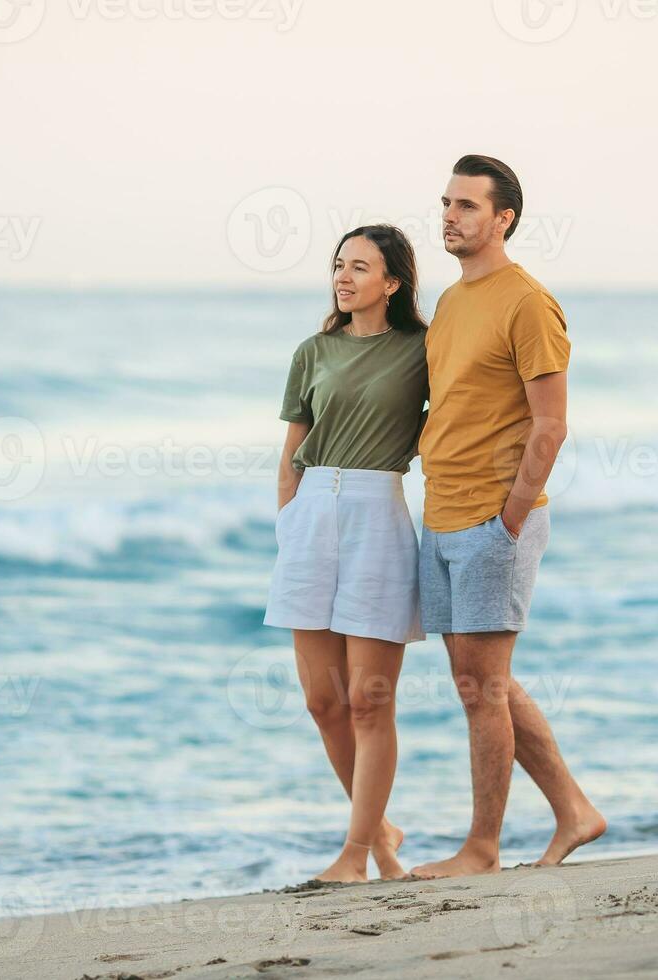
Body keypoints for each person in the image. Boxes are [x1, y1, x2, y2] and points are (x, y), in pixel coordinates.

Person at [411, 155, 607, 880]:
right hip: (442, 513)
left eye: (467, 205)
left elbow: (549, 425)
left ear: (504, 219)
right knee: (479, 681)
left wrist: (510, 520)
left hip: (494, 521)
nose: (450, 216)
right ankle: (575, 811)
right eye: (446, 203)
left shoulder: (528, 302)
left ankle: (482, 849)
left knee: (481, 688)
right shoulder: (457, 302)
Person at [263, 224, 429, 882]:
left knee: (370, 700)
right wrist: (288, 527)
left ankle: (357, 854)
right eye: (339, 265)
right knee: (323, 702)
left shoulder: (421, 348)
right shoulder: (314, 350)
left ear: (392, 282)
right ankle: (382, 836)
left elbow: (458, 413)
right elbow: (289, 454)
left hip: (376, 509)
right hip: (311, 511)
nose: (344, 276)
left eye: (361, 267)